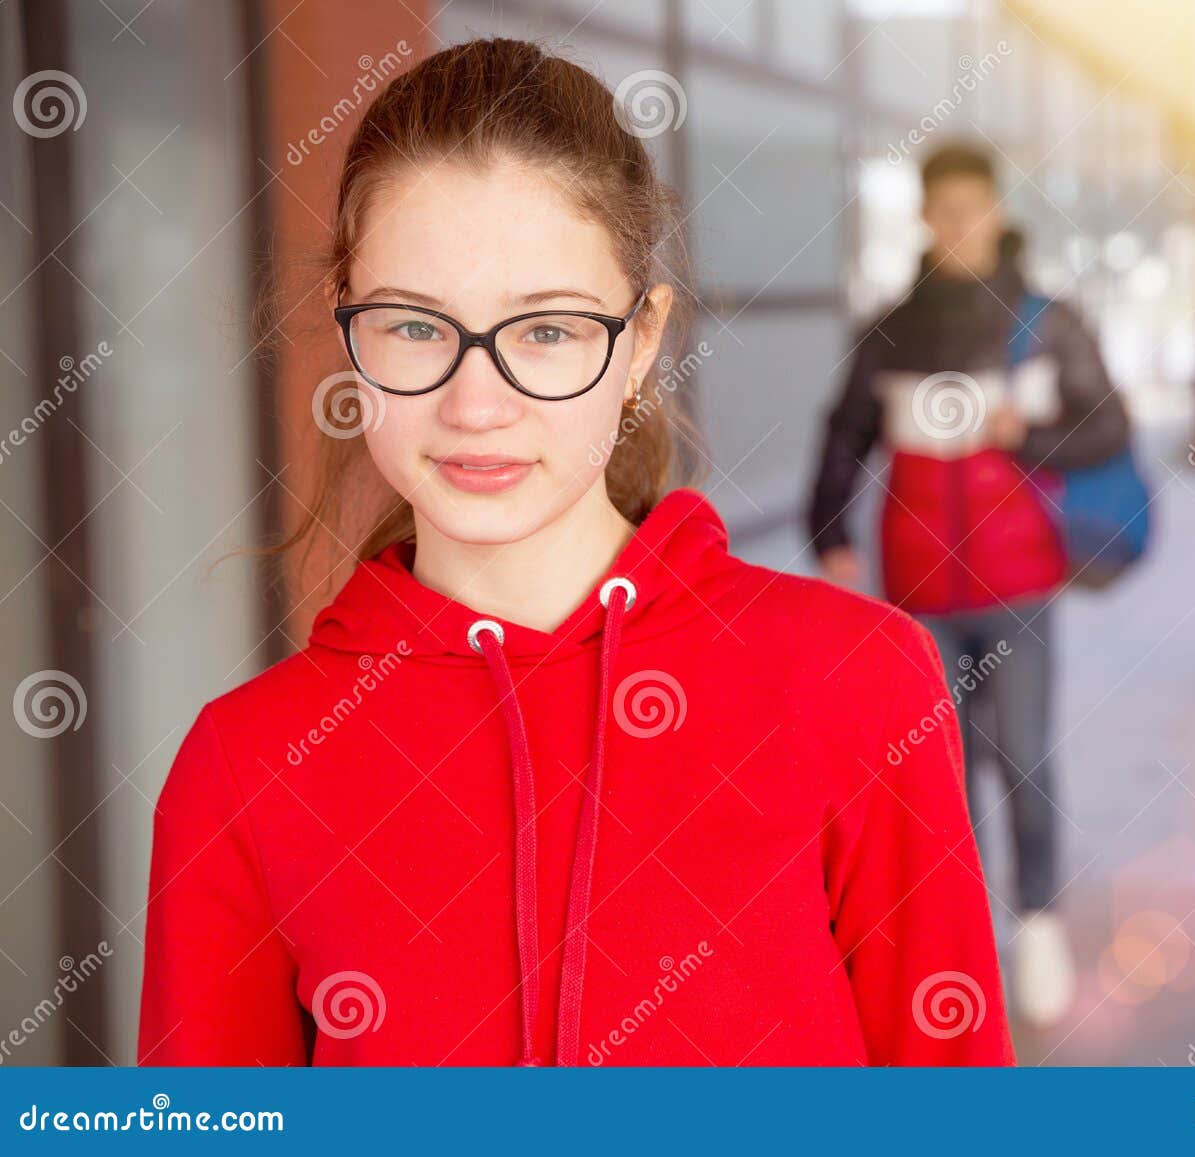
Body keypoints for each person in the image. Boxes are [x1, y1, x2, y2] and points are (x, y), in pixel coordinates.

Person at [137, 39, 1013, 1067]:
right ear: (349, 333)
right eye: (416, 326)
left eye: (546, 331)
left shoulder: (858, 684)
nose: (475, 404)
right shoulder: (244, 769)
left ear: (640, 340)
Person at [807, 142, 1129, 1025]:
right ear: (923, 218)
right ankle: (966, 945)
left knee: (1024, 755)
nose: (957, 227)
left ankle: (1040, 924)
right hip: (916, 595)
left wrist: (1027, 431)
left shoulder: (1046, 320)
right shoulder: (889, 329)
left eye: (971, 209)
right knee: (936, 781)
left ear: (995, 211)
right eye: (941, 211)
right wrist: (829, 530)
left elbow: (1110, 428)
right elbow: (843, 435)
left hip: (1019, 581)